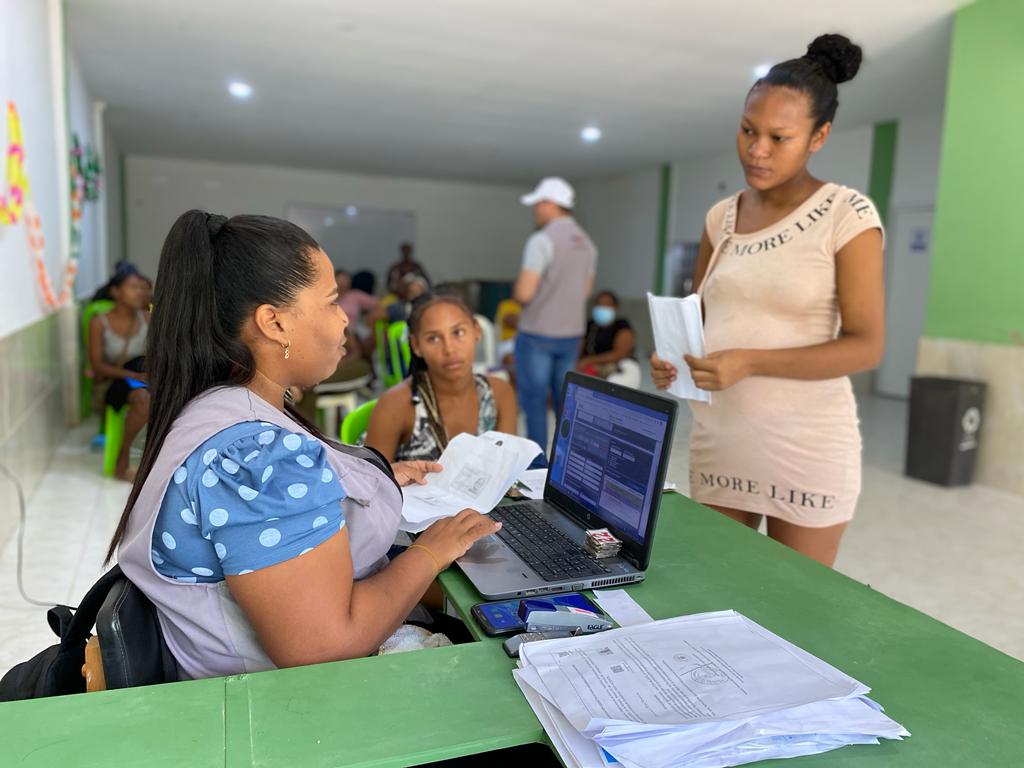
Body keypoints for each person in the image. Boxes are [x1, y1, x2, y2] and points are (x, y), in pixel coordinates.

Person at [104, 211, 499, 680]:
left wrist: (362, 479)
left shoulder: (218, 407)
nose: (345, 319)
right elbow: (325, 646)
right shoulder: (261, 455)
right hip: (265, 704)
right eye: (332, 302)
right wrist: (432, 551)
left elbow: (259, 506)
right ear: (274, 323)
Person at [650, 34, 884, 568]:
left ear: (818, 136)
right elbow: (700, 319)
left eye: (779, 137)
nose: (757, 150)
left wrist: (750, 361)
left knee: (792, 613)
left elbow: (866, 347)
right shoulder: (722, 216)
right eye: (748, 130)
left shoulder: (847, 215)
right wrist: (672, 359)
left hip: (806, 447)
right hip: (722, 441)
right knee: (714, 593)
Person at [366, 290, 517, 462]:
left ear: (476, 331)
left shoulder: (500, 393)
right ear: (416, 345)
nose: (449, 349)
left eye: (458, 332)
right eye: (433, 339)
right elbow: (371, 482)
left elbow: (507, 467)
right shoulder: (396, 405)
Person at [513, 177, 597, 447]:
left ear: (550, 204)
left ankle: (537, 466)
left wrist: (520, 293)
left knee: (535, 402)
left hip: (537, 333)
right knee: (566, 403)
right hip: (571, 335)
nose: (535, 210)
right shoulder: (588, 244)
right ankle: (566, 466)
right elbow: (584, 292)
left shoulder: (542, 240)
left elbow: (524, 293)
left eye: (538, 204)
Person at [87, 265, 152, 480]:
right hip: (116, 381)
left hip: (143, 376)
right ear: (116, 292)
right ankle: (122, 460)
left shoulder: (147, 318)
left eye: (141, 289)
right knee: (143, 399)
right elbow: (97, 366)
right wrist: (132, 376)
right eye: (132, 287)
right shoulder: (99, 323)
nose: (139, 293)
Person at [577, 290, 637, 381]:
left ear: (615, 307)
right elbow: (579, 348)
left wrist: (589, 361)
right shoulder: (590, 325)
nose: (602, 308)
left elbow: (619, 354)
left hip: (613, 370)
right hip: (587, 368)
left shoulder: (622, 327)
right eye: (599, 305)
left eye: (607, 305)